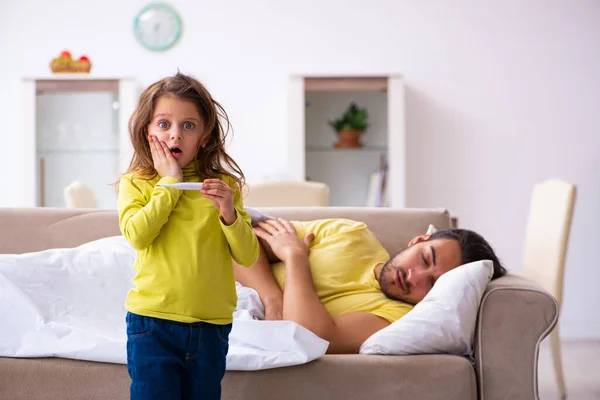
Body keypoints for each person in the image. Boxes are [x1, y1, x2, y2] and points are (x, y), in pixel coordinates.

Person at [117, 72, 259, 400]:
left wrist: (229, 212)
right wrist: (168, 183)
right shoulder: (137, 183)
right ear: (147, 131)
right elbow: (138, 236)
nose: (175, 135)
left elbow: (248, 256)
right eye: (164, 124)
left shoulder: (225, 186)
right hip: (152, 323)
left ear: (205, 135)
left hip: (211, 326)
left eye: (188, 125)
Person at [233, 217, 505, 354]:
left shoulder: (395, 317)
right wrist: (273, 300)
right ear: (418, 240)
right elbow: (236, 244)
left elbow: (306, 335)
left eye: (433, 283)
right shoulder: (352, 234)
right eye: (424, 259)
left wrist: (294, 257)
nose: (415, 276)